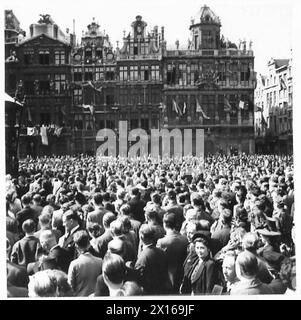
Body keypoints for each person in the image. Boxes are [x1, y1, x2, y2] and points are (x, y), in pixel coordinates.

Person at [134, 224, 171, 295]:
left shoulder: (142, 258)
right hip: (162, 291)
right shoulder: (162, 252)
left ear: (141, 237)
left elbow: (138, 278)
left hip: (149, 293)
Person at [157, 212, 188, 293]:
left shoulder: (162, 242)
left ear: (164, 224)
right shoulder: (185, 239)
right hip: (182, 274)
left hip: (166, 277)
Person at [67, 230, 102, 296]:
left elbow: (70, 287)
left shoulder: (74, 264)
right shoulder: (100, 261)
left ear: (76, 246)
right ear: (89, 244)